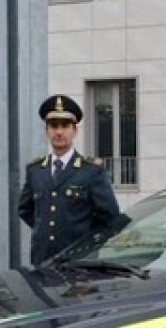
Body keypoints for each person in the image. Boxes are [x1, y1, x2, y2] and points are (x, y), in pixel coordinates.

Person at [18, 94, 125, 265]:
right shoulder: (35, 170)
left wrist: (86, 240)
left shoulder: (91, 171)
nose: (59, 132)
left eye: (65, 126)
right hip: (42, 258)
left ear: (75, 131)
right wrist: (45, 232)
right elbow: (25, 209)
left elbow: (110, 215)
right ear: (46, 131)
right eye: (54, 126)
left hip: (79, 260)